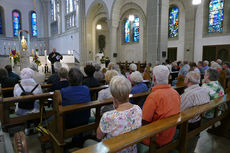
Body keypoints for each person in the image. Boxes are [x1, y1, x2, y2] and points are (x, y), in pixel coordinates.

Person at [96, 76, 142, 153]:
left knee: (87, 142)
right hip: (132, 150)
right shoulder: (137, 109)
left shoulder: (108, 116)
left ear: (113, 96)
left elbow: (99, 136)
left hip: (112, 150)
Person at [142, 65, 180, 147]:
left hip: (155, 138)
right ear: (168, 77)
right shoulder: (175, 93)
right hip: (170, 134)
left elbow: (144, 121)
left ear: (154, 78)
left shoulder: (154, 96)